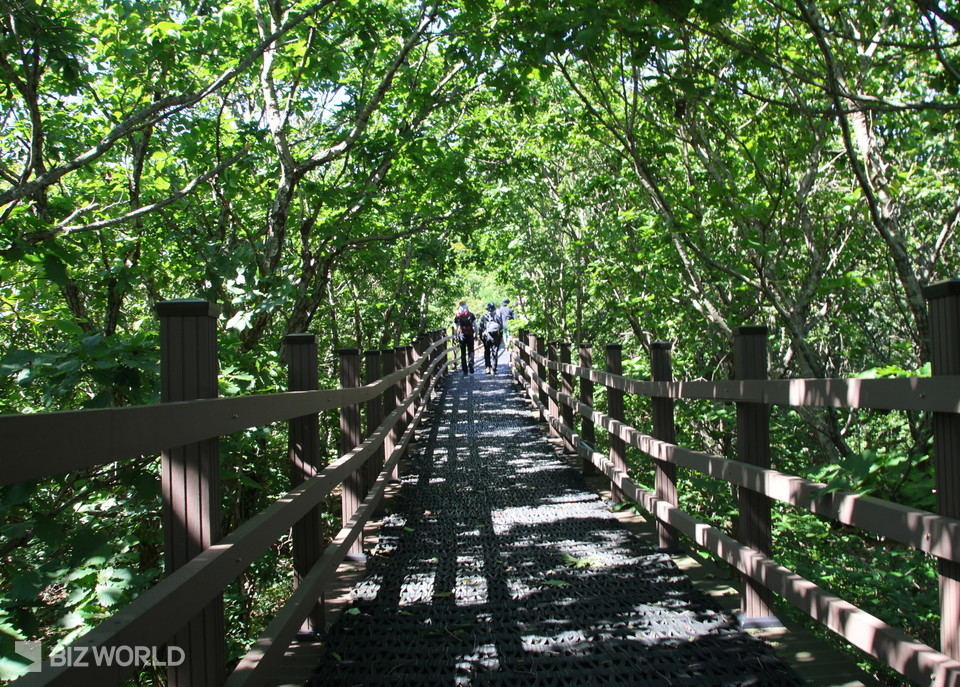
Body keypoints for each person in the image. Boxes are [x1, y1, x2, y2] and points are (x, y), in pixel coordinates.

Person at [478, 302, 504, 374]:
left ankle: (487, 368)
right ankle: (494, 368)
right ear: (494, 309)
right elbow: (501, 328)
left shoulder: (484, 317)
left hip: (487, 337)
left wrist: (481, 337)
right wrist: (501, 337)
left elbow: (480, 328)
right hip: (495, 337)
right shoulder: (497, 317)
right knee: (494, 352)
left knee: (487, 352)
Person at [452, 301, 476, 375]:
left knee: (463, 353)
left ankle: (465, 370)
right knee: (471, 350)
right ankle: (471, 362)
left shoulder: (457, 316)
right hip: (470, 334)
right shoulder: (471, 315)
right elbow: (476, 325)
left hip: (461, 335)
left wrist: (456, 336)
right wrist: (476, 334)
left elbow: (455, 327)